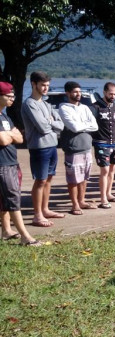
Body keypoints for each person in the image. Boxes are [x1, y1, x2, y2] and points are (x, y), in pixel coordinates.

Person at [20, 71, 65, 227]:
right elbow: (42, 127)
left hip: (52, 145)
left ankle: (45, 209)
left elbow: (61, 125)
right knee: (40, 180)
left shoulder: (46, 104)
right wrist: (51, 122)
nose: (46, 88)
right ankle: (37, 215)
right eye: (43, 85)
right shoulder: (29, 104)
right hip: (39, 148)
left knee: (49, 178)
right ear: (34, 84)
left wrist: (51, 122)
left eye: (47, 85)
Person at [0, 82, 41, 246]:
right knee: (13, 199)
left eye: (13, 95)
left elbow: (19, 137)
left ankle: (6, 230)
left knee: (5, 199)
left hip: (11, 162)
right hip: (2, 165)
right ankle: (25, 236)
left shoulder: (5, 116)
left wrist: (9, 135)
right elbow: (3, 139)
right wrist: (10, 135)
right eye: (8, 95)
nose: (12, 98)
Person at [58, 81, 99, 215]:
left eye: (80, 92)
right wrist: (84, 125)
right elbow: (73, 127)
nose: (78, 94)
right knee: (73, 178)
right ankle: (74, 204)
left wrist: (80, 125)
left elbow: (95, 126)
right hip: (73, 148)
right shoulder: (64, 108)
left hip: (87, 146)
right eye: (75, 92)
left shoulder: (85, 108)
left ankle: (82, 200)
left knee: (84, 177)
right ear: (68, 93)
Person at [91, 82, 115, 208]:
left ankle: (109, 193)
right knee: (104, 170)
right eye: (111, 94)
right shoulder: (95, 107)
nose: (113, 96)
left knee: (112, 169)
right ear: (104, 92)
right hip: (101, 142)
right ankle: (103, 198)